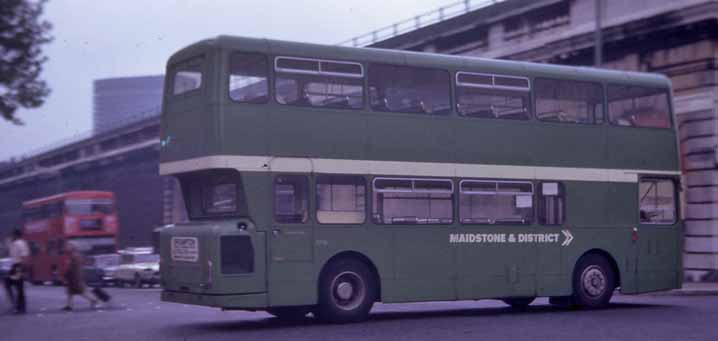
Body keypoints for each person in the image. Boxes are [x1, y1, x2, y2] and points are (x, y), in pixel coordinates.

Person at [62, 242, 97, 311]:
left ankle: (93, 300)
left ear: (73, 247)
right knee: (70, 292)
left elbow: (74, 268)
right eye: (67, 245)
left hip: (75, 277)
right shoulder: (73, 255)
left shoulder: (75, 255)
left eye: (69, 246)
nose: (67, 247)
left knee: (80, 291)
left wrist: (68, 274)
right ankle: (69, 305)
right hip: (72, 276)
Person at [4, 229, 29, 314]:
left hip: (18, 266)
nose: (11, 236)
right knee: (13, 284)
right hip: (14, 267)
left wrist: (21, 269)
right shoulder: (14, 244)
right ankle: (18, 306)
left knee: (18, 286)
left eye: (12, 235)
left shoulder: (20, 243)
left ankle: (20, 307)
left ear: (16, 235)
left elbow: (24, 256)